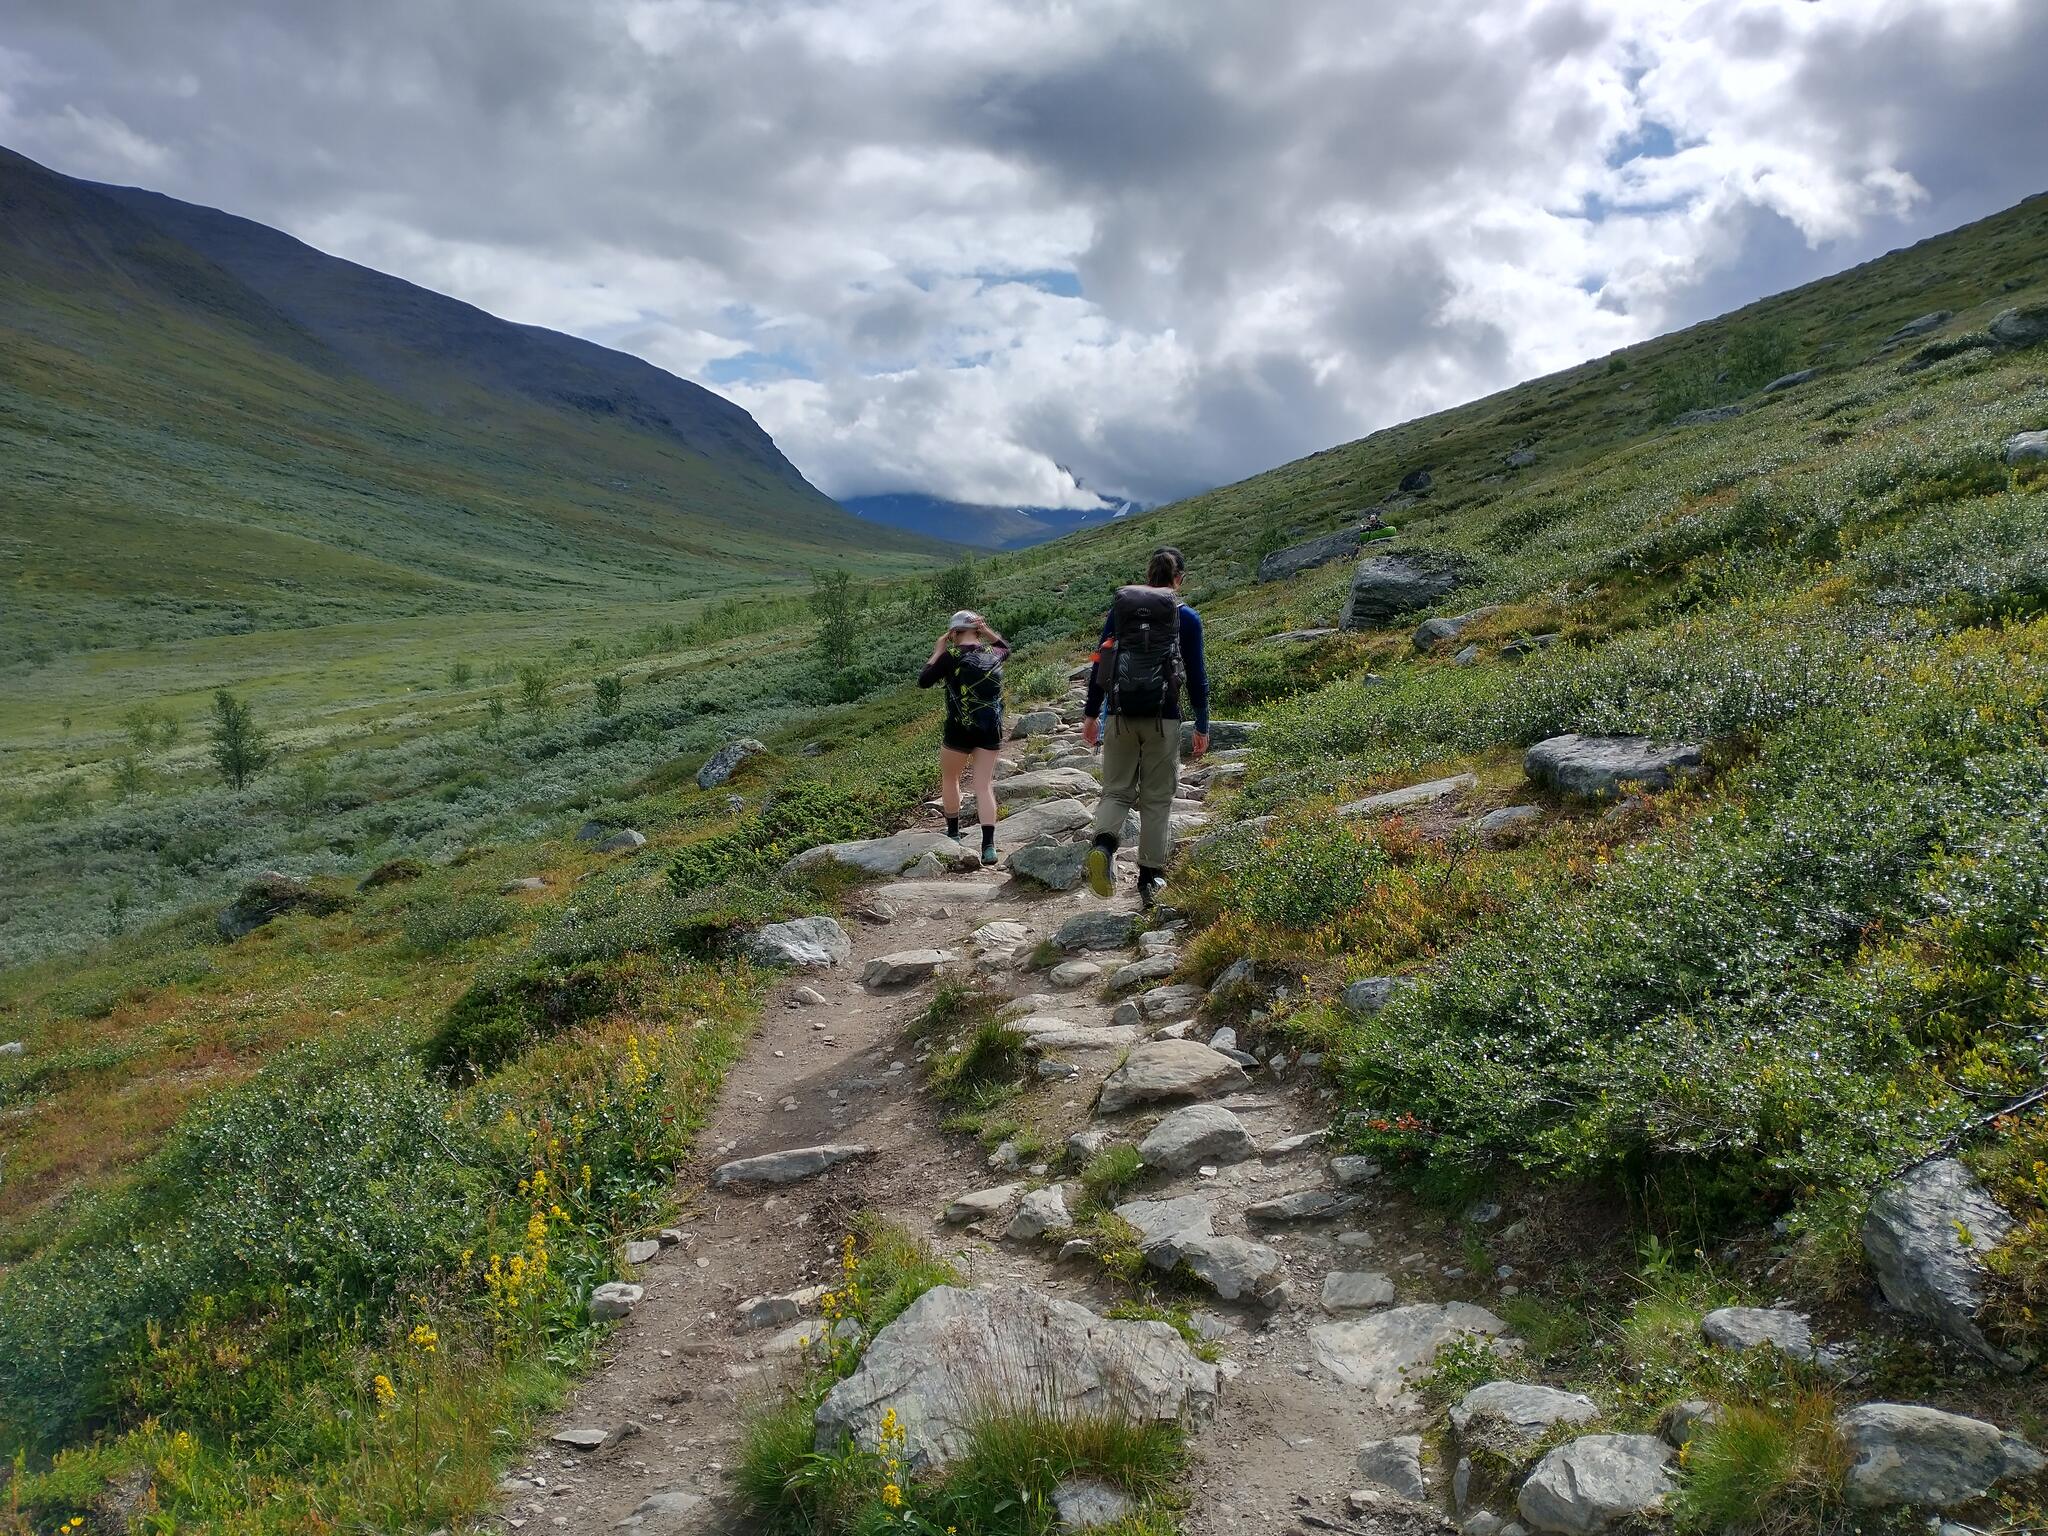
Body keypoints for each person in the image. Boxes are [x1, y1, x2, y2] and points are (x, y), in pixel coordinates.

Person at [1081, 547, 1208, 909]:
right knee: (1156, 798)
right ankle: (1150, 877)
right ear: (1178, 579)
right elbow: (1197, 676)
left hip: (1120, 715)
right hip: (1163, 717)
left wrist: (1092, 714)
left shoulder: (1120, 614)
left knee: (1116, 792)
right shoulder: (1187, 618)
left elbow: (1100, 664)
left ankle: (1103, 847)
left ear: (1147, 576)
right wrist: (1201, 722)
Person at [918, 609, 1009, 865]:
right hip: (990, 729)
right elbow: (1005, 647)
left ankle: (954, 834)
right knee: (983, 785)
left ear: (954, 633)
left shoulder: (949, 657)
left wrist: (938, 651)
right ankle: (988, 846)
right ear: (978, 631)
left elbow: (924, 681)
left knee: (951, 778)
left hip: (958, 729)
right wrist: (986, 629)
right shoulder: (994, 654)